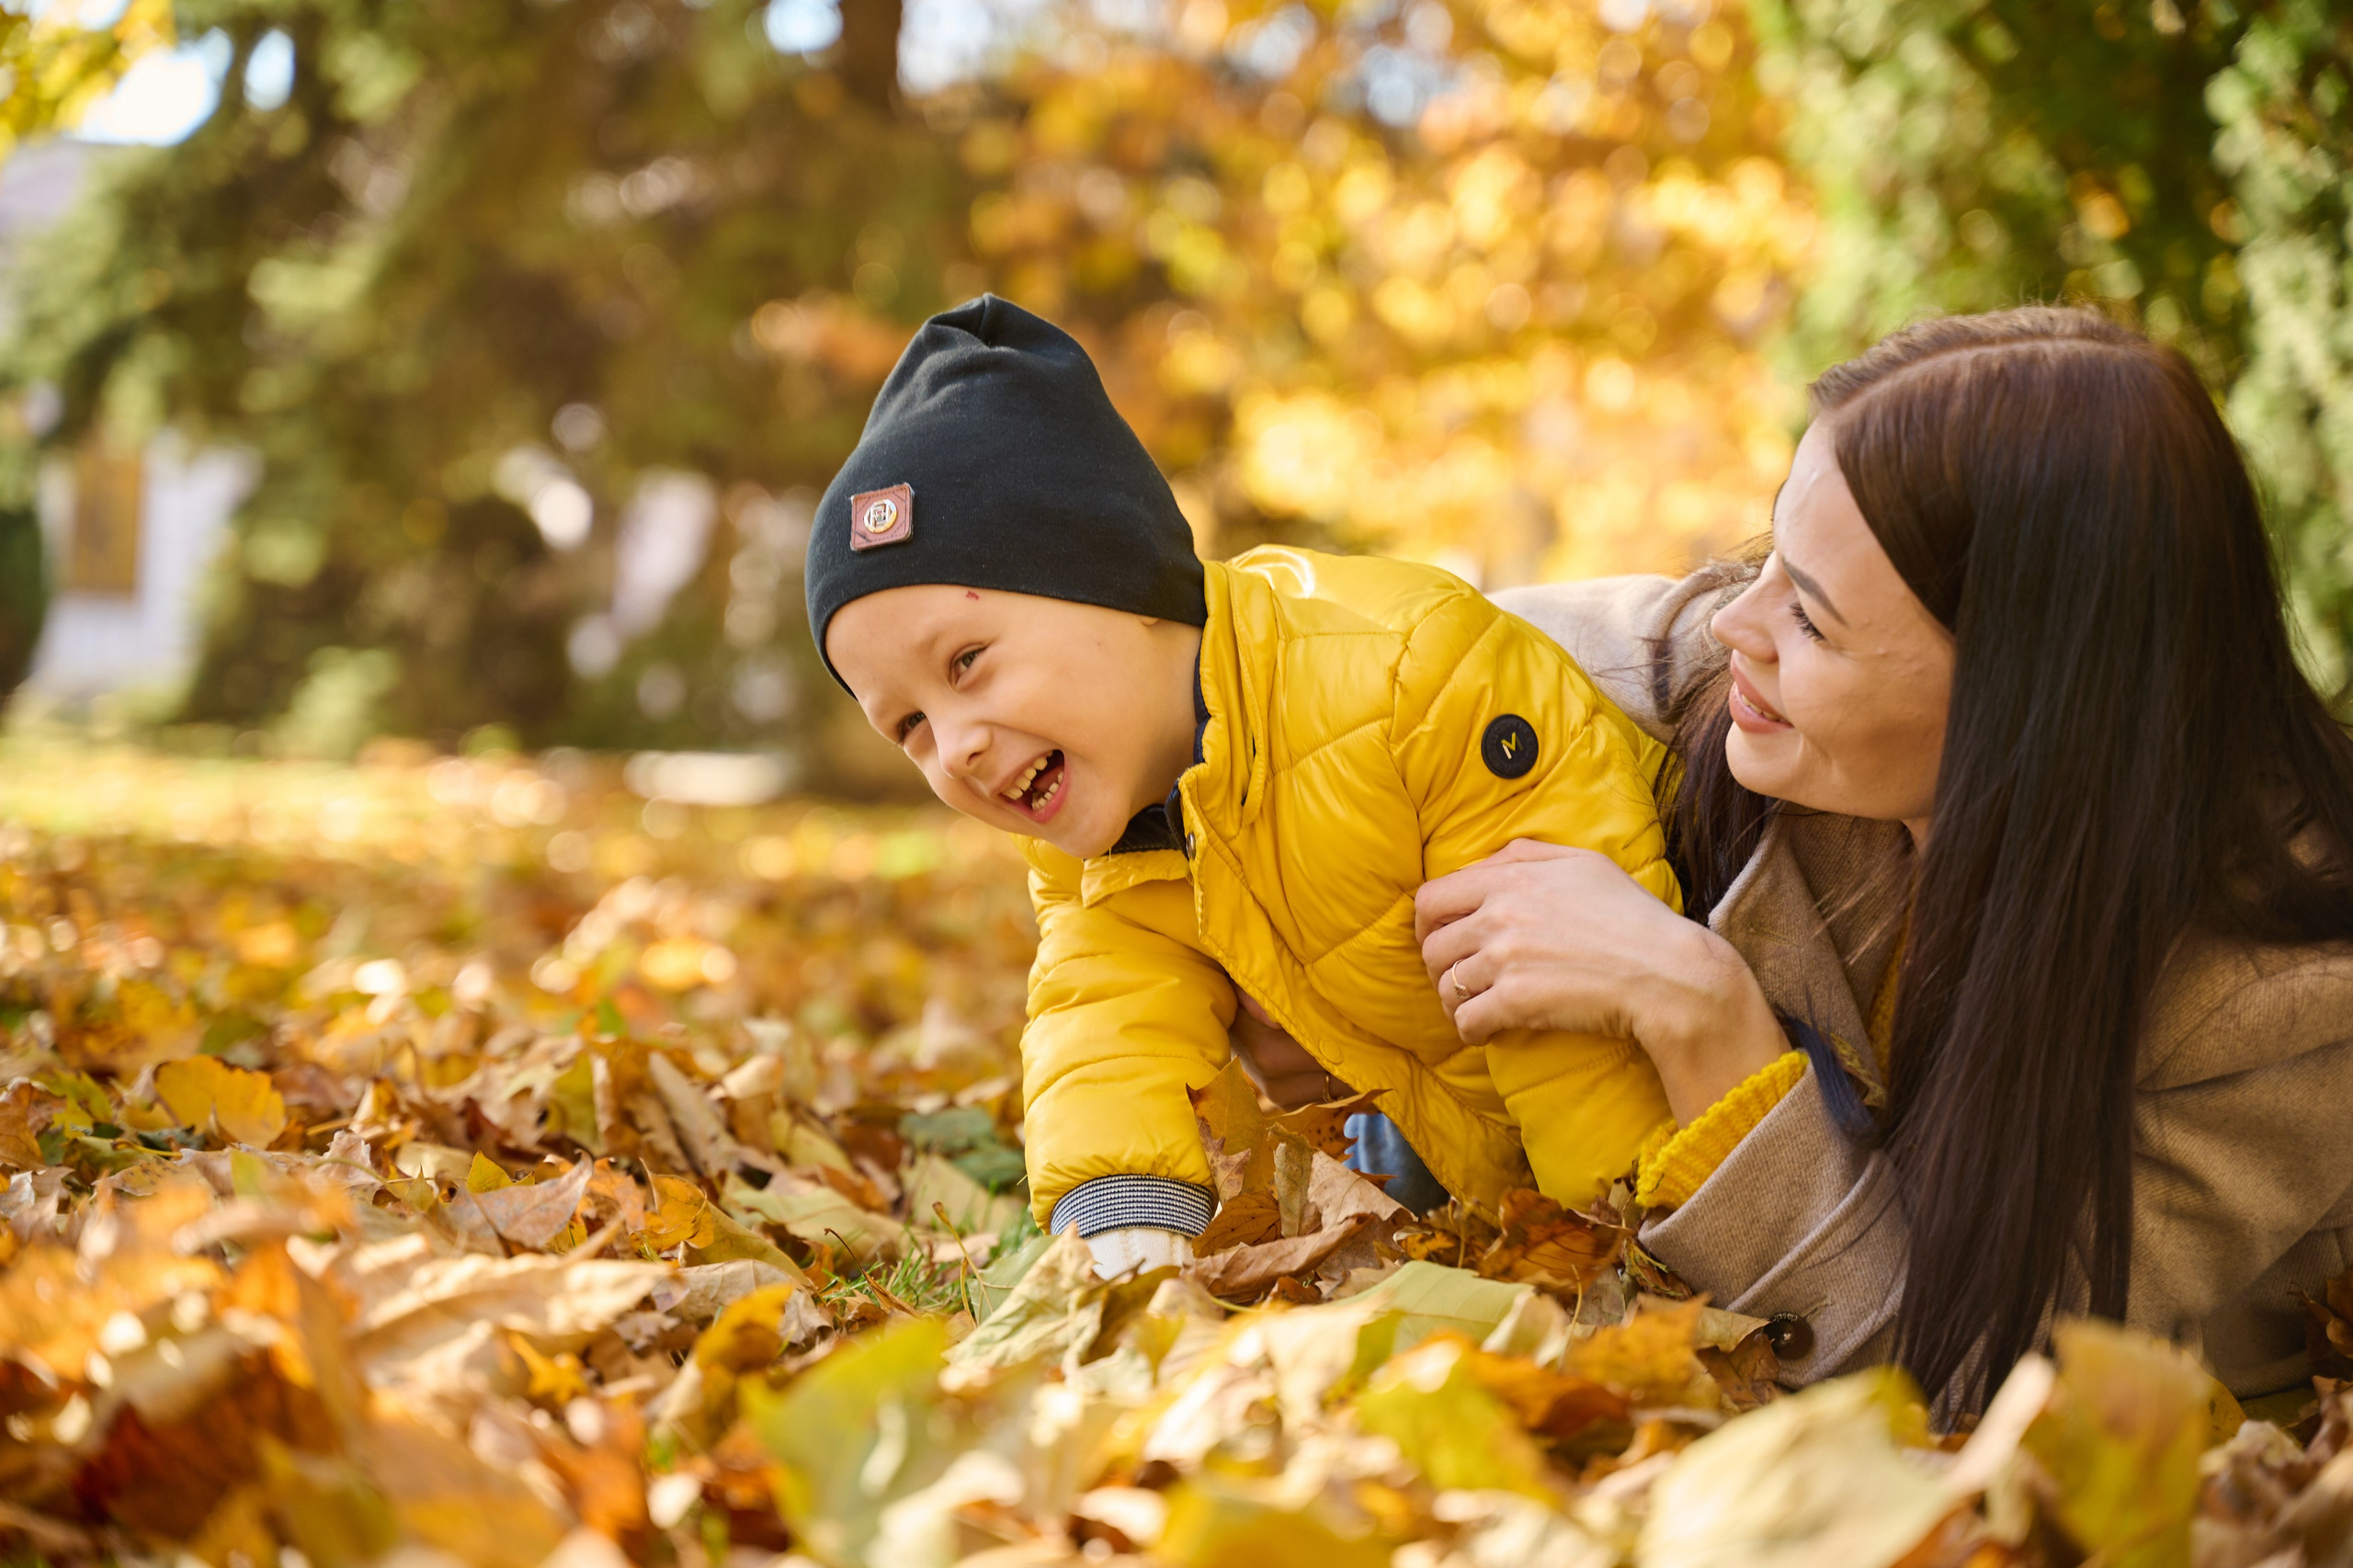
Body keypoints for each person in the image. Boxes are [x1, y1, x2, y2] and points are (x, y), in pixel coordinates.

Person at [1391, 306, 2353, 1414]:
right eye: (1771, 556)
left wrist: (1709, 1024)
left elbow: (1959, 1404)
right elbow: (1394, 666)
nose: (1730, 625)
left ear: (2022, 707)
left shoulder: (2281, 993)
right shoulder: (1759, 695)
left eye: (1811, 617)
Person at [803, 295, 1681, 1277]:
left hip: (1700, 1060)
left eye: (966, 661)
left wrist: (1612, 1245)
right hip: (1435, 1115)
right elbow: (1107, 1015)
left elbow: (1569, 1006)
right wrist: (1122, 1224)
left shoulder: (1407, 678)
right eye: (908, 726)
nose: (954, 746)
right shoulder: (1086, 820)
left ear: (1113, 578)